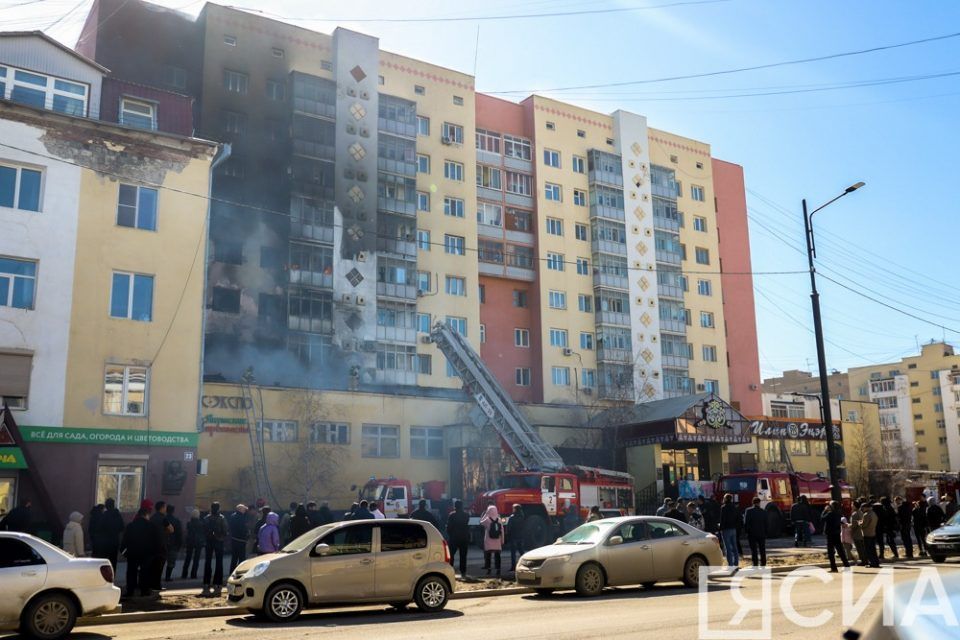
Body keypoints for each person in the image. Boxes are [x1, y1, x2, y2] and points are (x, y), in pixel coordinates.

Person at [121, 508, 159, 598]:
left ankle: (130, 591)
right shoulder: (151, 526)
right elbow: (156, 541)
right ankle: (144, 591)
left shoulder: (131, 525)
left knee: (131, 572)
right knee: (145, 572)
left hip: (133, 552)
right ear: (147, 515)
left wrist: (123, 551)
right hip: (147, 553)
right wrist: (155, 552)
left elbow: (125, 539)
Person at [202, 502, 228, 597]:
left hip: (209, 541)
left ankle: (206, 582)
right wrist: (221, 536)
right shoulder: (222, 518)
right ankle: (218, 582)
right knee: (219, 562)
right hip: (219, 541)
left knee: (208, 562)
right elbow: (225, 530)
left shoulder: (206, 518)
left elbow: (203, 530)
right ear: (219, 508)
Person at [148, 500, 173, 590]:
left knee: (153, 566)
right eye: (165, 507)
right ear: (162, 508)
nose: (166, 509)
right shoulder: (163, 518)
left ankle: (150, 584)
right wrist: (164, 532)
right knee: (160, 566)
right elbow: (171, 529)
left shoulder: (152, 517)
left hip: (152, 545)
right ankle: (157, 585)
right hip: (161, 545)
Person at [821, 500, 850, 572]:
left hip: (830, 534)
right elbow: (838, 521)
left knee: (831, 552)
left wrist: (825, 510)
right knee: (840, 550)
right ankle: (847, 565)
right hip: (837, 533)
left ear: (832, 506)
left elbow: (822, 518)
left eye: (830, 505)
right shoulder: (838, 513)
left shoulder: (830, 513)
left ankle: (834, 568)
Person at [445, 500, 471, 577]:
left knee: (451, 555)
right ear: (462, 506)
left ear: (455, 506)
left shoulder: (452, 515)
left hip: (454, 538)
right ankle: (463, 572)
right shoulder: (466, 515)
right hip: (464, 537)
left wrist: (450, 535)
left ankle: (450, 570)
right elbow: (468, 526)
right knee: (463, 556)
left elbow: (449, 528)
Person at [98, 498, 125, 570]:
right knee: (113, 560)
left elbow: (99, 528)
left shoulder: (104, 515)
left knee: (104, 561)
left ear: (106, 506)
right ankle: (113, 574)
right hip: (115, 541)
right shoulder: (117, 515)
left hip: (105, 542)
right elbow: (122, 527)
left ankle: (105, 575)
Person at [480, 503, 503, 577]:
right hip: (497, 541)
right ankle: (498, 570)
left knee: (488, 556)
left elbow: (481, 522)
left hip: (489, 541)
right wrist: (502, 540)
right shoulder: (499, 520)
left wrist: (486, 514)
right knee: (497, 556)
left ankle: (489, 570)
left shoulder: (487, 520)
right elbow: (502, 531)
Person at [743, 497, 766, 568]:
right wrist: (765, 532)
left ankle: (755, 563)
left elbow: (746, 523)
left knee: (754, 550)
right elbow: (766, 523)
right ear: (759, 503)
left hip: (752, 533)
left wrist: (746, 532)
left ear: (753, 503)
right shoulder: (763, 511)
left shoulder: (748, 511)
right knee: (762, 549)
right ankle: (763, 563)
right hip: (761, 533)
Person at [181, 509, 204, 580]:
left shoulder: (189, 523)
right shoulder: (201, 524)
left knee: (188, 558)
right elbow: (202, 533)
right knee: (196, 559)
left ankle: (184, 574)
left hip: (190, 541)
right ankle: (193, 574)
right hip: (198, 542)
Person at [720, 493, 740, 571]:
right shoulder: (734, 507)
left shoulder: (723, 507)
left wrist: (720, 528)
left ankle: (730, 565)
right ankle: (736, 564)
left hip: (726, 529)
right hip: (733, 529)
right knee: (735, 547)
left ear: (725, 499)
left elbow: (722, 519)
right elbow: (738, 518)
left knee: (728, 548)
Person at [228, 504, 249, 574]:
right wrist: (247, 535)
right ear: (240, 510)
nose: (245, 511)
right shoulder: (242, 518)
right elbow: (243, 529)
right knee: (242, 558)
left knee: (234, 558)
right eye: (244, 509)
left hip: (234, 539)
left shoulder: (232, 516)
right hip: (241, 540)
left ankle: (231, 572)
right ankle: (241, 572)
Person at [164, 505, 183, 581]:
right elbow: (179, 534)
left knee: (160, 562)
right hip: (173, 544)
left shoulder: (163, 519)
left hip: (163, 543)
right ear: (173, 511)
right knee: (171, 562)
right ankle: (167, 577)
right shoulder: (176, 520)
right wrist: (179, 545)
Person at [506, 504, 526, 572]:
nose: (512, 509)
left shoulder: (512, 517)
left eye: (513, 508)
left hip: (513, 537)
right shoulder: (522, 517)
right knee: (521, 552)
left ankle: (513, 567)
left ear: (515, 509)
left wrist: (508, 536)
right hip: (520, 536)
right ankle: (525, 564)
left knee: (513, 553)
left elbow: (509, 528)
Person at [860, 502, 881, 568]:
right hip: (873, 533)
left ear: (866, 507)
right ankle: (876, 562)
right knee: (873, 550)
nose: (862, 509)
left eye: (863, 508)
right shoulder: (874, 513)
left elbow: (864, 525)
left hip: (867, 534)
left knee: (868, 550)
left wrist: (860, 523)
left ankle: (872, 563)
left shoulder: (866, 515)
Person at [851, 501, 867, 566]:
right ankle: (865, 560)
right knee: (863, 548)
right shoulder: (861, 512)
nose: (851, 506)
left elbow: (853, 525)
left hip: (857, 534)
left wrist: (849, 526)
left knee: (859, 548)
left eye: (852, 505)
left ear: (855, 506)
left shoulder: (854, 514)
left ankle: (863, 561)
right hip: (862, 533)